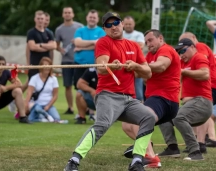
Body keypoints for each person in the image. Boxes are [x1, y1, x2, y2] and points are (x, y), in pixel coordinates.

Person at [64, 12, 155, 171]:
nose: (113, 27)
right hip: (108, 95)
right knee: (102, 124)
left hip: (129, 99)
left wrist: (135, 66)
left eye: (116, 23)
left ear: (121, 24)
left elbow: (148, 73)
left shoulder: (133, 45)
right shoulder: (103, 42)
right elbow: (101, 68)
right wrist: (112, 65)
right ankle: (73, 161)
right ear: (104, 29)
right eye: (108, 25)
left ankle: (137, 161)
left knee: (149, 117)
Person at [122, 29, 181, 168]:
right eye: (146, 41)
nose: (148, 44)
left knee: (139, 118)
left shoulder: (166, 50)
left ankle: (149, 155)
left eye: (150, 40)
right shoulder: (149, 56)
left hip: (165, 99)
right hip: (156, 100)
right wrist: (123, 66)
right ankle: (148, 151)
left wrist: (137, 66)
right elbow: (139, 73)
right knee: (127, 124)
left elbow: (160, 66)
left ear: (160, 38)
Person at [155, 38, 212, 161]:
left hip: (202, 102)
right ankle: (172, 148)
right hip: (191, 104)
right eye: (179, 52)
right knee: (164, 116)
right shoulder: (183, 63)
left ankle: (195, 151)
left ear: (192, 47)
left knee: (178, 117)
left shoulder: (199, 57)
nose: (181, 54)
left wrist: (183, 72)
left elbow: (205, 74)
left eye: (184, 51)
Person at [55, 7, 84, 115]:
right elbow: (57, 45)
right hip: (66, 61)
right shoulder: (59, 29)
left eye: (69, 12)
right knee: (67, 85)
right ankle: (70, 108)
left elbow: (85, 41)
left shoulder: (80, 27)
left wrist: (79, 44)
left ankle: (82, 108)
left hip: (79, 61)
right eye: (65, 13)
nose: (67, 14)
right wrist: (60, 49)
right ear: (63, 15)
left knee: (80, 85)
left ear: (73, 14)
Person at [73, 9, 105, 90]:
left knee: (95, 88)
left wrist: (82, 47)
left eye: (94, 17)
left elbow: (99, 46)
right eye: (90, 17)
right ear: (87, 18)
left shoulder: (101, 32)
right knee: (79, 89)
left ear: (97, 19)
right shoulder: (80, 30)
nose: (92, 19)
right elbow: (77, 43)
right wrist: (94, 42)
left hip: (94, 66)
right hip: (80, 64)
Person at [25, 57, 60, 123]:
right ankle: (45, 116)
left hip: (48, 104)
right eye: (45, 65)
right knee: (38, 109)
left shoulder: (54, 79)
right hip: (37, 103)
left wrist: (48, 106)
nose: (47, 67)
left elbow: (55, 95)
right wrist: (26, 104)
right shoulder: (34, 78)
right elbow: (29, 92)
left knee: (57, 118)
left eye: (48, 65)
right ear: (41, 67)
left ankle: (44, 117)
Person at [26, 10, 56, 80]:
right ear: (35, 19)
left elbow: (54, 46)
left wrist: (41, 45)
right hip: (35, 64)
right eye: (38, 18)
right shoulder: (31, 33)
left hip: (46, 65)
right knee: (33, 85)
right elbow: (32, 47)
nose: (40, 20)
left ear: (44, 20)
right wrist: (48, 47)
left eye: (42, 19)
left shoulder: (49, 33)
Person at [123, 16, 145, 102]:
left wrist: (123, 47)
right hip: (122, 67)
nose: (128, 26)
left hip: (136, 66)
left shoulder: (139, 34)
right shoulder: (120, 34)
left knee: (138, 93)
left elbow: (141, 46)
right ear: (123, 24)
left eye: (130, 24)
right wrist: (133, 44)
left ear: (134, 24)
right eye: (126, 24)